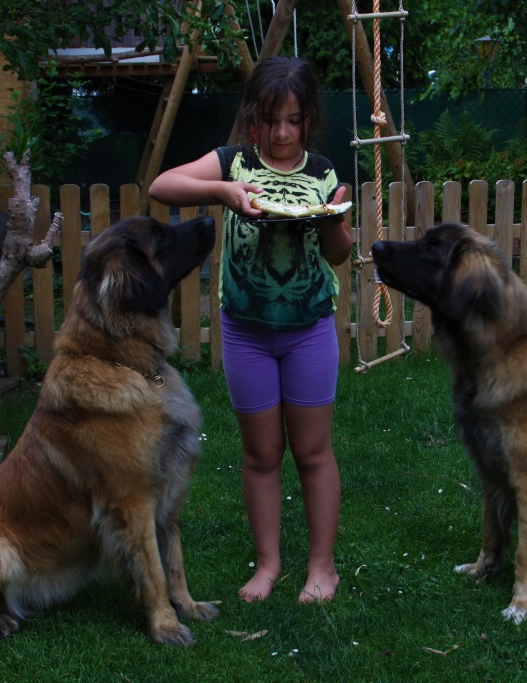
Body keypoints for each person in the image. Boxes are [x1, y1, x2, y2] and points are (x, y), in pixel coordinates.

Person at [148, 56, 352, 603]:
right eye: (269, 120)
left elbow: (338, 255)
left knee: (312, 451)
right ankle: (267, 565)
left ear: (307, 118)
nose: (281, 133)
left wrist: (334, 221)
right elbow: (161, 186)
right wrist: (223, 194)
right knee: (260, 454)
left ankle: (322, 568)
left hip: (308, 328)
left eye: (293, 119)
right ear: (252, 119)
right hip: (245, 333)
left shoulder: (324, 173)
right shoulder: (231, 163)